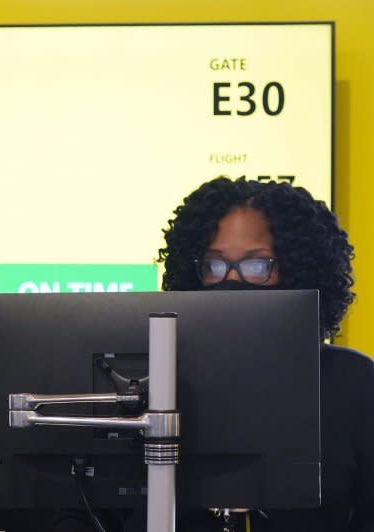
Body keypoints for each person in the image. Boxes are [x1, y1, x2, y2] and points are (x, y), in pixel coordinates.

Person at [156, 176, 374, 531]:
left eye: (258, 265)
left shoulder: (353, 383)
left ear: (301, 268)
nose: (230, 279)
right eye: (214, 265)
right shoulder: (158, 382)